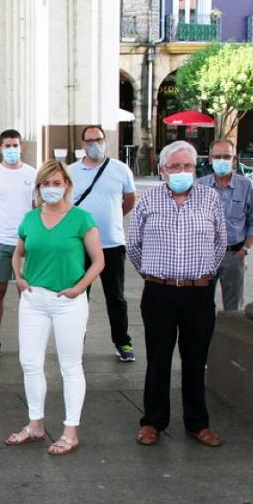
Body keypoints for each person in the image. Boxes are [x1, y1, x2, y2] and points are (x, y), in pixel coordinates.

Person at [128, 141, 226, 448]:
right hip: (159, 292)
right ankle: (153, 421)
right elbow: (134, 245)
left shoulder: (210, 198)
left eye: (187, 166)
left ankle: (197, 423)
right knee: (158, 359)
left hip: (198, 293)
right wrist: (153, 274)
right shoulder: (148, 200)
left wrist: (204, 274)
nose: (181, 171)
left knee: (195, 361)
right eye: (175, 166)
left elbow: (220, 243)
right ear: (162, 169)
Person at [7, 161, 104, 456]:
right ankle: (35, 423)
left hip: (68, 301)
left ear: (67, 185)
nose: (51, 188)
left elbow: (99, 260)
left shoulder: (81, 219)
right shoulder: (30, 219)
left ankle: (70, 431)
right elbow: (17, 253)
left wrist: (79, 288)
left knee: (70, 365)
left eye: (57, 183)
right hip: (33, 299)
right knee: (29, 362)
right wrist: (19, 278)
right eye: (45, 183)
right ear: (38, 187)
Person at [68, 125, 138, 362]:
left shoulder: (120, 169)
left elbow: (129, 200)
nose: (94, 145)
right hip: (79, 246)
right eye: (89, 141)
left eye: (98, 140)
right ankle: (75, 343)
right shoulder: (71, 171)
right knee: (79, 296)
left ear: (105, 141)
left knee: (116, 297)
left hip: (112, 244)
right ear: (83, 144)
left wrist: (113, 217)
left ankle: (122, 342)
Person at [0, 129, 36, 358]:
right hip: (1, 240)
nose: (12, 149)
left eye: (15, 145)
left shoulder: (32, 174)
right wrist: (2, 225)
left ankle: (29, 338)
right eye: (7, 146)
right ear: (0, 148)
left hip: (28, 242)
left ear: (21, 147)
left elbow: (38, 207)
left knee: (27, 291)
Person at [196, 138, 253, 311]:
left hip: (234, 254)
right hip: (204, 255)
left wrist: (246, 249)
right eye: (217, 156)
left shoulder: (246, 185)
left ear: (234, 159)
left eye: (226, 156)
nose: (222, 160)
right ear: (210, 159)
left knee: (233, 309)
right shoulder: (199, 186)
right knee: (200, 306)